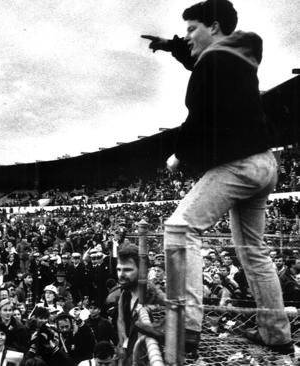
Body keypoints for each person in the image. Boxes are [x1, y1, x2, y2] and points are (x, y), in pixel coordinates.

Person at [139, 0, 294, 355]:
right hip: (265, 164)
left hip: (238, 164)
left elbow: (198, 111)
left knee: (179, 229)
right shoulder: (238, 56)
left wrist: (180, 153)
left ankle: (185, 327)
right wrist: (172, 45)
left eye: (193, 29)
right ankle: (277, 334)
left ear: (214, 28)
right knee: (255, 252)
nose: (188, 36)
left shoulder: (214, 62)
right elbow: (202, 60)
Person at [114, 244, 164, 365]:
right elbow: (120, 320)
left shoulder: (156, 298)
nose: (121, 275)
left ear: (142, 271)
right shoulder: (125, 293)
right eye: (119, 269)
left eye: (127, 270)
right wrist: (123, 344)